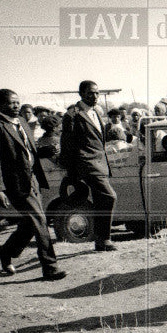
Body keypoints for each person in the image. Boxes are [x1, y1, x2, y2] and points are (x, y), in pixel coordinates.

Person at [0, 89, 66, 280]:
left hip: (33, 180)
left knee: (30, 223)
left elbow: (27, 152)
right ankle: (50, 267)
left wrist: (44, 151)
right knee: (40, 221)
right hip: (15, 185)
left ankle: (5, 251)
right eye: (12, 103)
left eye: (18, 102)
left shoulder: (22, 122)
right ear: (0, 105)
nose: (16, 106)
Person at [59, 79, 119, 251]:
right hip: (87, 164)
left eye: (97, 93)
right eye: (90, 93)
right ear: (81, 94)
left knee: (102, 200)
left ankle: (101, 241)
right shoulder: (72, 114)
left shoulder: (96, 112)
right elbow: (67, 144)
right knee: (109, 196)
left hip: (100, 163)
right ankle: (104, 239)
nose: (94, 96)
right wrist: (71, 172)